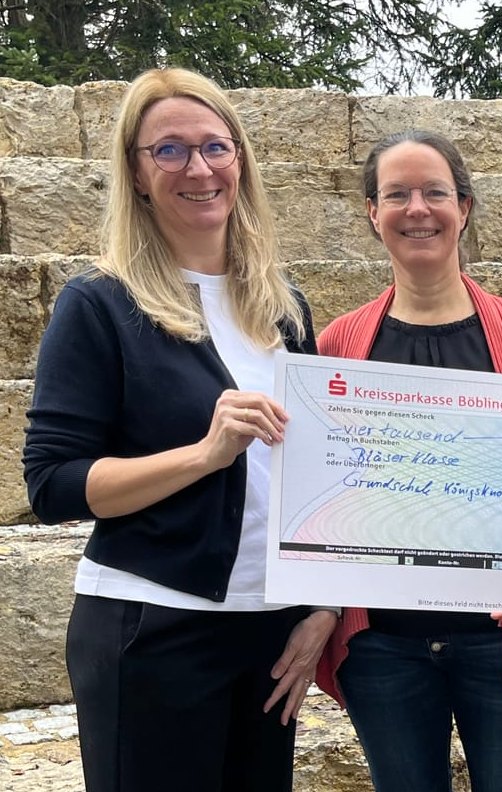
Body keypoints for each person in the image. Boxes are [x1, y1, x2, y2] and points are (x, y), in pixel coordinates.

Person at [22, 67, 332, 792]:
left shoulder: (284, 306)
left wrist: (323, 605)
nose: (199, 169)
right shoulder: (99, 304)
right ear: (135, 172)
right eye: (169, 150)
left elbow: (316, 473)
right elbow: (53, 484)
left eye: (215, 147)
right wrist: (203, 454)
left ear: (240, 160)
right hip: (152, 626)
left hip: (270, 630)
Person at [310, 130, 502, 792]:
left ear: (464, 207)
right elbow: (321, 495)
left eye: (434, 192)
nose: (417, 209)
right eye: (396, 194)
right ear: (372, 212)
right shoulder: (337, 346)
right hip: (382, 647)